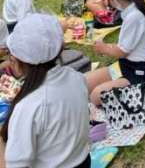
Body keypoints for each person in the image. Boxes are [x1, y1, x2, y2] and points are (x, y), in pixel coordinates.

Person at [1, 13, 90, 168]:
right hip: (83, 162)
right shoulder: (76, 77)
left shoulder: (28, 106)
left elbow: (16, 165)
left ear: (17, 61)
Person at [85, 0, 145, 106]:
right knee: (84, 82)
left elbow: (122, 52)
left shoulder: (134, 17)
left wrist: (104, 48)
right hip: (124, 65)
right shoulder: (129, 10)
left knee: (95, 96)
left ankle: (136, 86)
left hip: (138, 72)